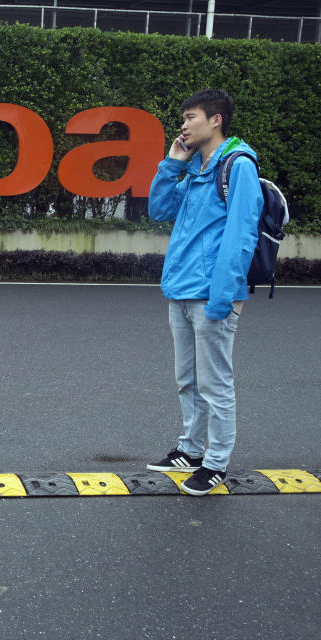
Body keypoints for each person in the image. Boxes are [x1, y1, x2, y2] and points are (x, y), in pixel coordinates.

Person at [146, 89, 263, 496]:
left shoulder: (237, 166)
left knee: (215, 383)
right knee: (187, 380)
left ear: (215, 120)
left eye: (190, 116)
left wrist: (223, 295)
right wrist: (172, 162)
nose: (183, 124)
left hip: (212, 293)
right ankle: (191, 449)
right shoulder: (196, 166)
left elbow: (241, 235)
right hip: (180, 289)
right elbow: (159, 210)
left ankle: (216, 463)